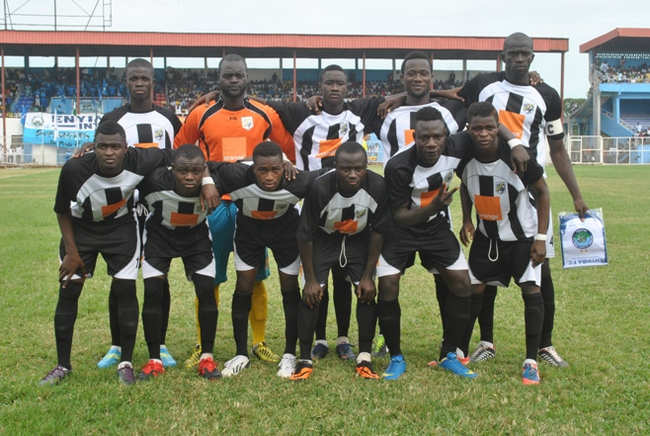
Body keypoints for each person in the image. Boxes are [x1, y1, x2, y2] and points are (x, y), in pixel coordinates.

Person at [40, 121, 217, 386]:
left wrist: (207, 179)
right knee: (69, 293)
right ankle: (62, 365)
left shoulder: (141, 159)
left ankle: (126, 363)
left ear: (126, 148)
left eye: (115, 146)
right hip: (80, 231)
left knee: (126, 291)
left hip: (120, 230)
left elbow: (183, 156)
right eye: (102, 146)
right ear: (94, 147)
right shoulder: (75, 168)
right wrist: (72, 252)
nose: (109, 152)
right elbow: (61, 209)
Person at [455, 32, 589, 367]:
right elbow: (453, 100)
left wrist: (576, 195)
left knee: (540, 276)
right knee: (486, 274)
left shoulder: (547, 95)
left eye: (525, 54)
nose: (519, 59)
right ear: (502, 56)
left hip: (530, 189)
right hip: (487, 181)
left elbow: (556, 148)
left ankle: (544, 344)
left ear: (532, 57)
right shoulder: (484, 85)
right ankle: (486, 342)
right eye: (513, 53)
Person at [174, 53, 296, 367]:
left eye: (238, 75)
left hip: (254, 206)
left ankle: (257, 342)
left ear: (247, 78)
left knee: (254, 278)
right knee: (208, 278)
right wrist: (203, 179)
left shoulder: (264, 114)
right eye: (227, 75)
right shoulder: (200, 115)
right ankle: (204, 345)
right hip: (213, 206)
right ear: (219, 78)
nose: (233, 80)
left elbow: (286, 153)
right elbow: (182, 152)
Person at [264, 64, 385, 361]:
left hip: (353, 207)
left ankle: (343, 338)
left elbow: (404, 94)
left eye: (339, 83)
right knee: (318, 278)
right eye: (328, 82)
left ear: (347, 87)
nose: (334, 87)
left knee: (344, 279)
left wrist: (398, 98)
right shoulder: (300, 113)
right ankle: (320, 339)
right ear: (319, 86)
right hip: (315, 205)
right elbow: (261, 106)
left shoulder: (359, 110)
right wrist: (216, 94)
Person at [208, 142, 328, 378]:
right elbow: (206, 165)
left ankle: (289, 353)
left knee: (289, 288)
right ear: (253, 168)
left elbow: (330, 171)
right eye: (263, 170)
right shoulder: (236, 175)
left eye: (275, 169)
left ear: (284, 167)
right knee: (243, 287)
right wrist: (207, 184)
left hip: (286, 234)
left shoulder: (298, 180)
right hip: (248, 234)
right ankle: (241, 354)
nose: (269, 176)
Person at [376, 107, 477, 381]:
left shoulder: (458, 145)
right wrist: (434, 206)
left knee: (462, 285)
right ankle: (396, 356)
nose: (431, 144)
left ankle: (448, 354)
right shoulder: (398, 166)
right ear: (414, 136)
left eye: (437, 137)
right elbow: (398, 216)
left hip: (435, 229)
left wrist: (515, 145)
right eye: (424, 138)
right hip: (400, 231)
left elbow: (484, 119)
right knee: (387, 286)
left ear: (447, 136)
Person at [96, 58, 183, 370]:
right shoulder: (113, 118)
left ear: (153, 82)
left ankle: (159, 343)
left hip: (160, 207)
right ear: (126, 82)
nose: (139, 83)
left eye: (145, 78)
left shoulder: (170, 119)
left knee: (157, 278)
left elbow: (181, 157)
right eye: (134, 78)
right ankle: (118, 345)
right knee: (122, 278)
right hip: (123, 209)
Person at [456, 101, 550, 385]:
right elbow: (464, 184)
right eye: (477, 128)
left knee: (531, 291)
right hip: (487, 237)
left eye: (489, 128)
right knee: (476, 290)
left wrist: (541, 238)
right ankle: (474, 348)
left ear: (498, 128)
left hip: (521, 239)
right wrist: (466, 218)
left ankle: (531, 361)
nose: (483, 134)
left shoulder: (517, 158)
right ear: (469, 130)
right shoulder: (464, 156)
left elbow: (543, 193)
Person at [292, 142, 392, 380]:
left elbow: (378, 231)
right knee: (312, 295)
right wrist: (311, 278)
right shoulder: (320, 188)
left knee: (366, 292)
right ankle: (305, 359)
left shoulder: (377, 186)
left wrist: (368, 275)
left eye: (359, 168)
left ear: (367, 167)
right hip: (323, 240)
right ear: (335, 166)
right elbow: (304, 234)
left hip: (358, 240)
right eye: (346, 169)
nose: (353, 174)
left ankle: (364, 357)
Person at [136, 144, 221, 381]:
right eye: (183, 171)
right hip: (159, 236)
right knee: (152, 291)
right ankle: (154, 360)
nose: (190, 177)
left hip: (196, 237)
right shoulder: (154, 180)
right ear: (172, 169)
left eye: (196, 171)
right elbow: (128, 161)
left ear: (204, 169)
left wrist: (286, 159)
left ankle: (207, 357)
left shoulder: (216, 179)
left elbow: (247, 168)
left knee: (206, 290)